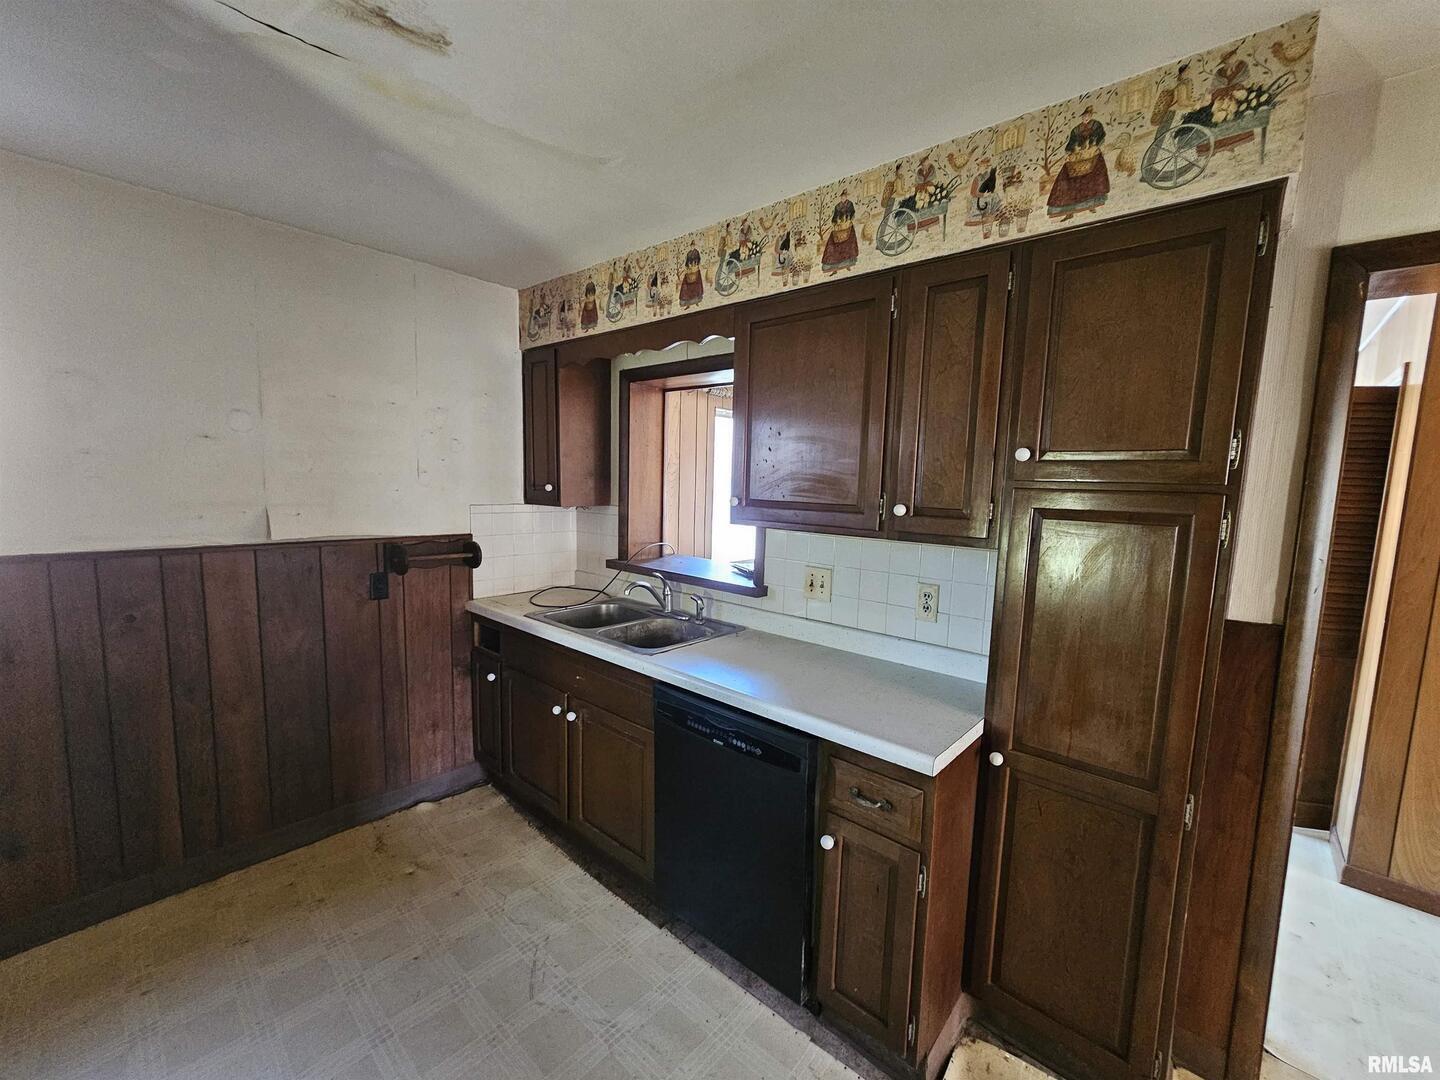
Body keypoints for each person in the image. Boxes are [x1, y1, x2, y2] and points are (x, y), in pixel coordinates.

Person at [1046, 106, 1110, 220]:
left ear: (1091, 115)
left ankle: (1091, 204)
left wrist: (1094, 144)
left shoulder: (1096, 125)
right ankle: (1068, 209)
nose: (1086, 117)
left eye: (1088, 115)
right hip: (1079, 153)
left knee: (1094, 174)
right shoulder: (1076, 129)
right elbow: (1071, 143)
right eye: (1084, 116)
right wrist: (1073, 149)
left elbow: (1101, 136)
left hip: (1091, 151)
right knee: (1066, 175)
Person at [822, 192, 859, 272]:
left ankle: (849, 261)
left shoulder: (850, 204)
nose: (843, 198)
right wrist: (835, 222)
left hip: (847, 225)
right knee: (832, 241)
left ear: (846, 197)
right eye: (842, 197)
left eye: (844, 197)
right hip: (839, 226)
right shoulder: (837, 206)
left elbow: (852, 213)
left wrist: (849, 219)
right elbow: (834, 217)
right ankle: (832, 263)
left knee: (849, 242)